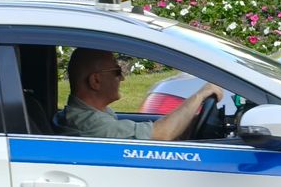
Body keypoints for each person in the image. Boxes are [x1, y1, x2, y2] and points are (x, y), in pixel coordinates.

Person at [56, 49, 226, 141]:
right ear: (96, 81)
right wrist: (200, 95)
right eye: (116, 71)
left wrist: (192, 123)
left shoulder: (93, 114)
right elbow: (162, 134)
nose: (122, 78)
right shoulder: (92, 124)